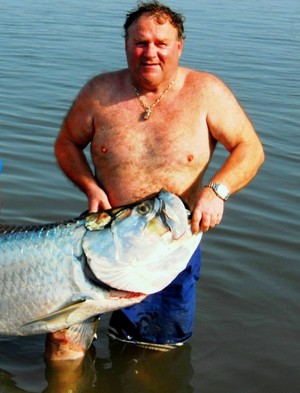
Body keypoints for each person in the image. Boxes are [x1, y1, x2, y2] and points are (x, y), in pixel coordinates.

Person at [51, 1, 264, 359]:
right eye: (140, 42)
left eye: (161, 43)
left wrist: (217, 191)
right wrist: (90, 186)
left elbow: (250, 149)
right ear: (126, 44)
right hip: (102, 240)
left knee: (153, 352)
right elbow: (66, 144)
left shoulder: (206, 92)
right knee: (62, 344)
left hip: (168, 248)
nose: (150, 52)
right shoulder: (99, 92)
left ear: (179, 46)